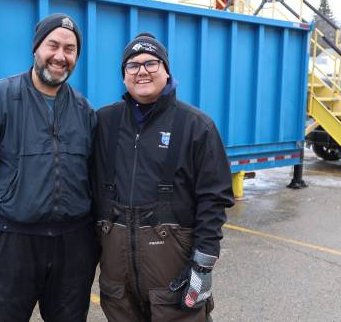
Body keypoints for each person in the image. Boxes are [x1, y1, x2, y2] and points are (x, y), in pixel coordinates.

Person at [0, 13, 98, 322]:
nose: (60, 56)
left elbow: (95, 177)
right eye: (53, 45)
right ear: (36, 48)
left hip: (72, 246)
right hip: (12, 241)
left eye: (70, 49)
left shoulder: (84, 110)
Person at [91, 33, 234, 322]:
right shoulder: (104, 122)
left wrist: (203, 266)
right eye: (132, 65)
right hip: (118, 276)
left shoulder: (197, 126)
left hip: (173, 274)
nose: (142, 70)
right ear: (124, 76)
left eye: (151, 63)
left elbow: (214, 198)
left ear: (166, 70)